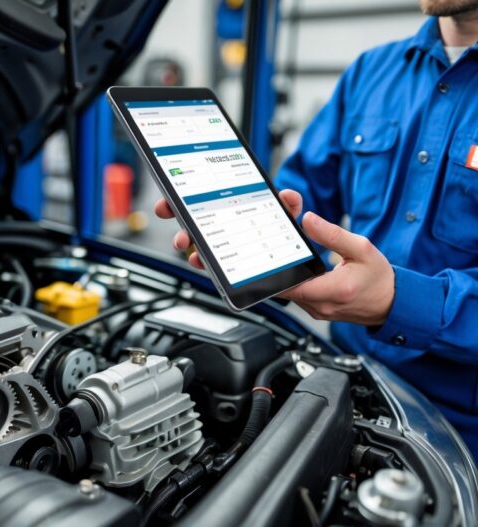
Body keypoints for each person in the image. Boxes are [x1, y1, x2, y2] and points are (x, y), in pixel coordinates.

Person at [155, 0, 478, 460]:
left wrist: (397, 301)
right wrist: (249, 232)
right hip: (348, 377)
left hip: (464, 427)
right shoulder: (372, 71)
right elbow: (303, 196)